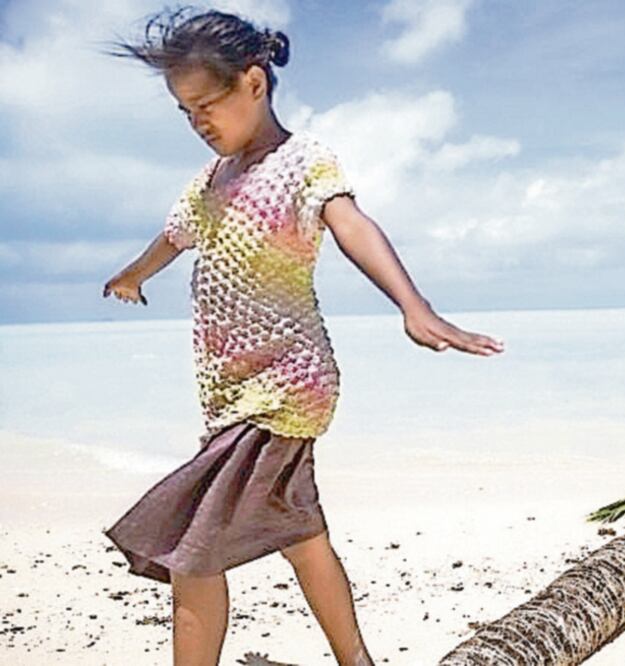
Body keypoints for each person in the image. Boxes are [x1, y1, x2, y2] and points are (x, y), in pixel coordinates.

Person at [99, 7, 505, 665]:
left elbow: (351, 225)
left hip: (285, 387)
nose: (199, 122)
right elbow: (174, 237)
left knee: (192, 547)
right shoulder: (210, 183)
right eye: (185, 111)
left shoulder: (302, 162)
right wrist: (132, 274)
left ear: (253, 84)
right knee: (302, 534)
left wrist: (414, 304)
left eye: (208, 103)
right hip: (233, 392)